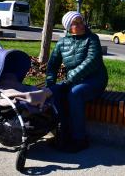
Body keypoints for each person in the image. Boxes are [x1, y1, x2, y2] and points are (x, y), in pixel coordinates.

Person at [45, 11, 108, 153]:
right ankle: (63, 134)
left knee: (75, 93)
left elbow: (92, 61)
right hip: (73, 81)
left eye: (81, 21)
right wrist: (50, 84)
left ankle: (80, 139)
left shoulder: (92, 38)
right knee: (54, 93)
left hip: (95, 80)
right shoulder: (62, 43)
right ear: (68, 27)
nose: (81, 25)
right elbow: (52, 65)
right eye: (76, 23)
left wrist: (69, 79)